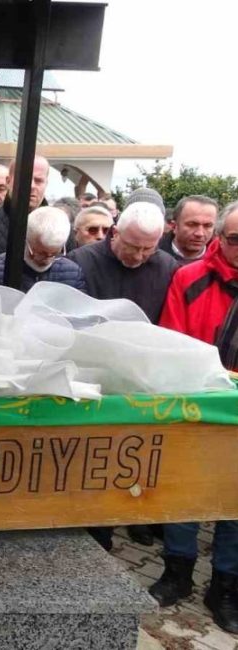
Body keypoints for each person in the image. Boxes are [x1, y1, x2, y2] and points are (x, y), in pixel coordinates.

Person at [152, 201, 238, 632]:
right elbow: (172, 343)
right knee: (184, 495)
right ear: (220, 239)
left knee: (236, 505)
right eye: (236, 238)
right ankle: (178, 571)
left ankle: (224, 584)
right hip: (197, 406)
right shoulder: (188, 278)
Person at [67, 201, 179, 324]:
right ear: (115, 233)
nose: (138, 256)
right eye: (132, 247)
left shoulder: (167, 268)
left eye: (148, 249)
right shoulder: (80, 262)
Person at [0, 206, 86, 291]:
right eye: (40, 253)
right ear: (26, 240)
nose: (47, 260)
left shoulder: (73, 273)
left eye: (55, 254)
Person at [159, 195, 219, 265]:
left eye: (207, 226)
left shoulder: (224, 262)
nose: (200, 233)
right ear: (174, 226)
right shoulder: (149, 255)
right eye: (192, 224)